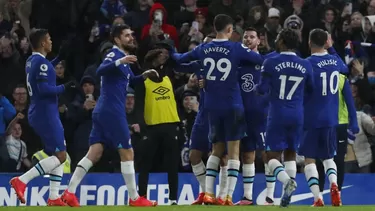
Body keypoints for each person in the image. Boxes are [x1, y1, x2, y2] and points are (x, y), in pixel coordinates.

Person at [61, 24, 158, 207]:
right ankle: (135, 199)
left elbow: (128, 80)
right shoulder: (115, 55)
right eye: (127, 35)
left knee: (94, 153)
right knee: (127, 152)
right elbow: (100, 70)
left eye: (131, 34)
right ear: (117, 39)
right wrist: (120, 61)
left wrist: (144, 75)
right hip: (112, 111)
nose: (131, 38)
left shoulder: (123, 59)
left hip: (103, 111)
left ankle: (69, 193)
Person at [171, 14, 263, 205]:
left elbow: (179, 60)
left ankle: (209, 194)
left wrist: (169, 48)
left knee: (215, 150)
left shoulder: (204, 48)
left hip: (211, 107)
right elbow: (258, 59)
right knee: (233, 151)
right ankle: (228, 196)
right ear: (230, 30)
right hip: (233, 106)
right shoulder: (236, 48)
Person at [9, 28, 75, 206]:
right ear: (43, 43)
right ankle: (22, 180)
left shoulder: (32, 60)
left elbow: (43, 69)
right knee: (61, 155)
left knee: (61, 149)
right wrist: (65, 87)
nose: (51, 42)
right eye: (49, 39)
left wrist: (57, 57)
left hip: (41, 112)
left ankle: (53, 197)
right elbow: (44, 89)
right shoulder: (41, 63)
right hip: (46, 113)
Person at [299, 29, 358, 207]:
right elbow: (344, 68)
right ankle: (334, 186)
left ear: (309, 43)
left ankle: (317, 198)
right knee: (328, 158)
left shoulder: (307, 63)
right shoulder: (335, 61)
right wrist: (331, 49)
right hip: (331, 119)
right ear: (326, 42)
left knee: (309, 159)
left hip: (311, 118)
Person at [256, 28, 314, 207]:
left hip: (278, 114)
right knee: (291, 153)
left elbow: (262, 89)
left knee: (270, 157)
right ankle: (285, 198)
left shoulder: (271, 62)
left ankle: (287, 182)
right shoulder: (306, 64)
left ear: (281, 42)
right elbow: (311, 89)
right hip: (297, 114)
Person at [235, 27, 275, 206]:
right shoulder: (237, 63)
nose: (248, 40)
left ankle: (270, 197)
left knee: (267, 153)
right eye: (245, 37)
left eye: (252, 37)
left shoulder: (266, 61)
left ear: (259, 41)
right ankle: (247, 197)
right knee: (247, 154)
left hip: (263, 114)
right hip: (243, 114)